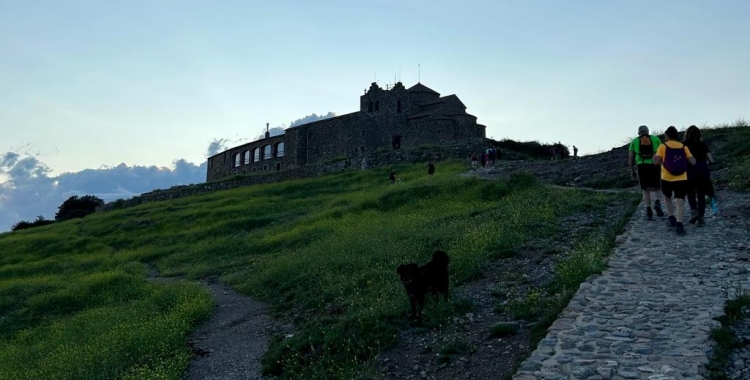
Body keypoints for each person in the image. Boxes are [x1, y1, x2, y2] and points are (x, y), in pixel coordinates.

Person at [653, 126, 696, 235]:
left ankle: (671, 218)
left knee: (668, 197)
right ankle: (680, 224)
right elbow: (693, 161)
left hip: (667, 177)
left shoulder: (663, 146)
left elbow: (656, 162)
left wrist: (655, 156)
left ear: (666, 135)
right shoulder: (683, 146)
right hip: (682, 177)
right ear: (677, 135)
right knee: (680, 200)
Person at [628, 125, 665, 220]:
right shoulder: (656, 139)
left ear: (638, 133)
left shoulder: (634, 141)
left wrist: (632, 169)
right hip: (655, 165)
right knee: (657, 187)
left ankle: (648, 209)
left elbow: (631, 157)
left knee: (646, 189)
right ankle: (657, 202)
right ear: (648, 131)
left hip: (641, 166)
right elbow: (662, 153)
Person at [683, 125, 715, 226]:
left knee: (690, 193)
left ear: (687, 134)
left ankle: (693, 211)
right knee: (701, 195)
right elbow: (711, 160)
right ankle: (701, 218)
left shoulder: (684, 145)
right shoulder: (703, 144)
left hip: (689, 172)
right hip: (702, 172)